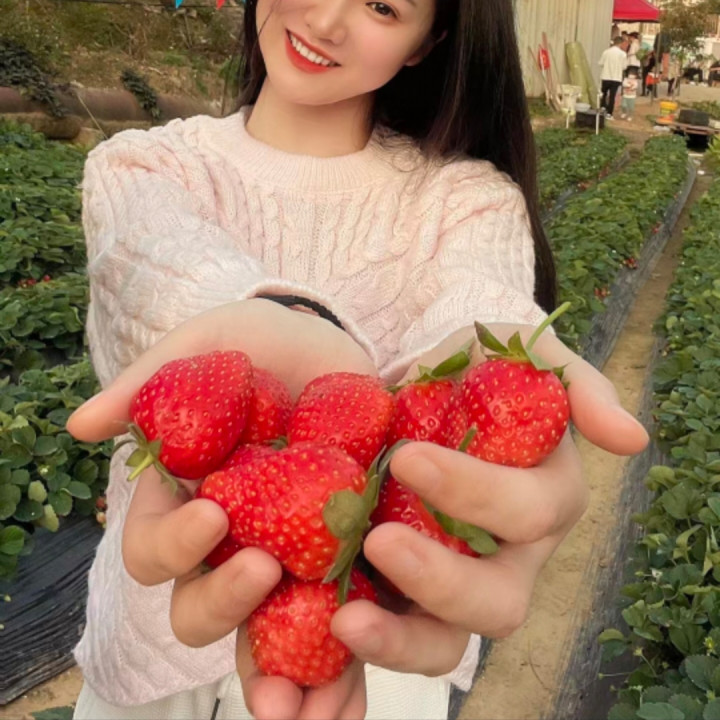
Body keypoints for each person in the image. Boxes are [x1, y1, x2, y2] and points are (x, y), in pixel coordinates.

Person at [65, 0, 650, 718]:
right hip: (147, 638)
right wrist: (281, 319)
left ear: (427, 40)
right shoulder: (140, 166)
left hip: (375, 632)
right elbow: (163, 265)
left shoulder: (467, 200)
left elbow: (475, 295)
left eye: (382, 5)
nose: (327, 21)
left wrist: (490, 356)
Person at [599, 37, 628, 119]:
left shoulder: (606, 52)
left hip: (606, 76)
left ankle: (602, 107)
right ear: (621, 43)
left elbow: (601, 63)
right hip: (616, 77)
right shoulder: (623, 54)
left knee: (604, 93)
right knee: (612, 96)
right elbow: (624, 67)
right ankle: (609, 113)